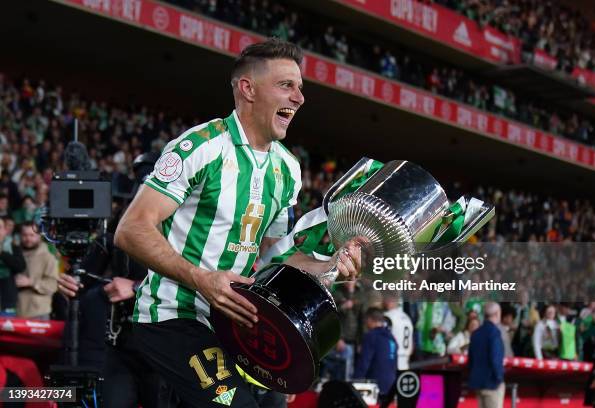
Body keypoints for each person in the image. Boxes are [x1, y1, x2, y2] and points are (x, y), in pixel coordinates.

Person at [114, 38, 362, 408]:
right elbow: (130, 230)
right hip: (173, 317)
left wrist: (328, 266)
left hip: (236, 324)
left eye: (300, 88)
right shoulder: (200, 146)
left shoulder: (287, 170)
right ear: (247, 89)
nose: (299, 98)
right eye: (286, 85)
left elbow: (273, 261)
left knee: (274, 402)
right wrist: (201, 279)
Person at [57, 151, 179, 408]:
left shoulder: (184, 233)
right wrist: (69, 283)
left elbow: (193, 282)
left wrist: (136, 287)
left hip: (165, 350)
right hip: (121, 348)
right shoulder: (116, 233)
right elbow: (80, 281)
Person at [353, 308, 397, 408]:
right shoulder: (392, 338)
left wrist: (355, 382)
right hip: (391, 385)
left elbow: (364, 363)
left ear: (370, 319)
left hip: (374, 386)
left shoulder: (370, 336)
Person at [15, 221, 58, 319]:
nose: (28, 238)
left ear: (39, 236)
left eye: (31, 235)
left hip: (38, 312)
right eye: (25, 235)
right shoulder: (15, 253)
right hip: (16, 311)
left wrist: (31, 282)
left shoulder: (48, 257)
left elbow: (53, 286)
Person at [467, 302, 505, 408]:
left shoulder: (476, 333)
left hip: (478, 382)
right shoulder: (494, 333)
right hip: (492, 383)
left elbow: (471, 360)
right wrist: (499, 378)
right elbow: (495, 358)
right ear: (497, 314)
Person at [0, 217, 26, 315]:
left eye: (0, 227)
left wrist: (2, 253)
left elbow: (20, 266)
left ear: (5, 231)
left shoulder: (13, 246)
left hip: (7, 302)